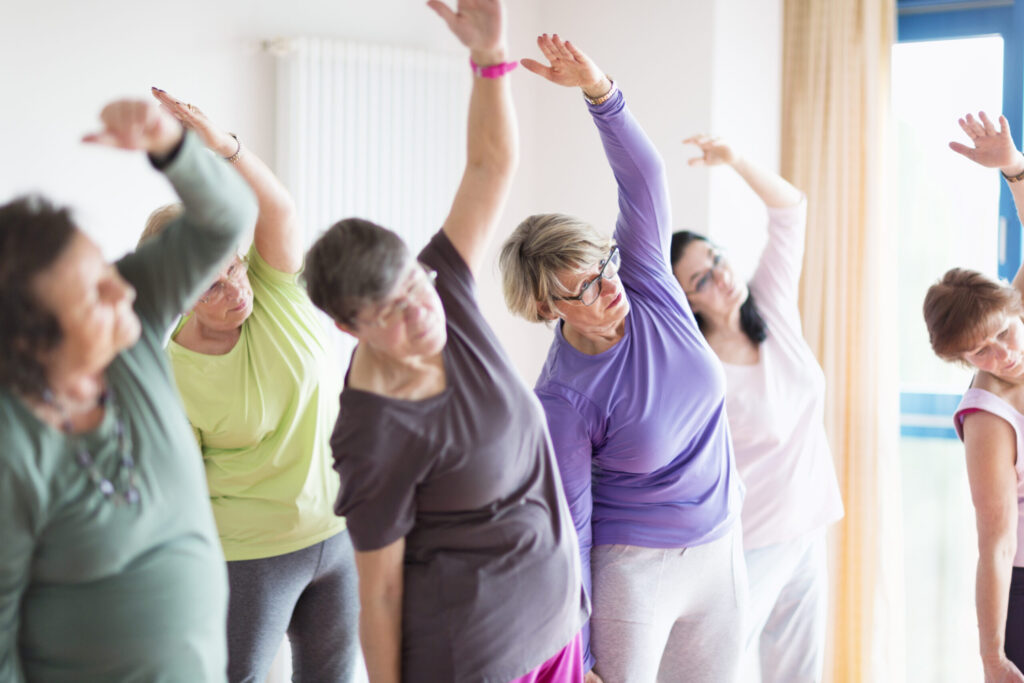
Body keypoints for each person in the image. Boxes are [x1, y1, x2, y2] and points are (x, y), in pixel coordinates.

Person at [302, 2, 585, 682]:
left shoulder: (444, 284)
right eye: (391, 311)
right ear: (351, 328)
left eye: (414, 285)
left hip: (555, 625)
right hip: (476, 658)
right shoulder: (373, 434)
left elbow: (491, 165)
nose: (421, 311)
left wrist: (490, 59)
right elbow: (379, 592)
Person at [499, 34, 747, 683]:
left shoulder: (646, 282)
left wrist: (598, 90)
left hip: (721, 548)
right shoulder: (563, 398)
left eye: (602, 262)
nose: (608, 284)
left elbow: (646, 177)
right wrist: (576, 654)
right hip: (636, 570)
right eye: (583, 284)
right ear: (547, 307)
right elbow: (571, 525)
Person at [0, 98, 257, 681]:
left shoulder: (132, 331)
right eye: (93, 294)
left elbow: (227, 219)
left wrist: (172, 147)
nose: (122, 293)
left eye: (107, 270)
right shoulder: (13, 450)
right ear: (33, 341)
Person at [138, 88, 358, 682]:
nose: (236, 288)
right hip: (251, 557)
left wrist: (222, 147)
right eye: (211, 284)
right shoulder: (172, 375)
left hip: (340, 533)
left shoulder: (274, 290)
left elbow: (278, 209)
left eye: (232, 265)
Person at [668, 136, 844, 683]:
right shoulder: (698, 370)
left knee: (798, 674)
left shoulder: (769, 304)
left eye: (716, 258)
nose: (721, 276)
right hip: (750, 545)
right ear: (688, 301)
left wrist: (736, 161)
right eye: (701, 278)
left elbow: (791, 209)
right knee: (708, 671)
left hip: (808, 526)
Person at [924, 111, 1024, 683]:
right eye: (979, 353)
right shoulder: (988, 416)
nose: (1000, 355)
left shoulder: (1017, 308)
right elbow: (996, 541)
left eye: (1002, 335)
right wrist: (991, 653)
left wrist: (1011, 166)